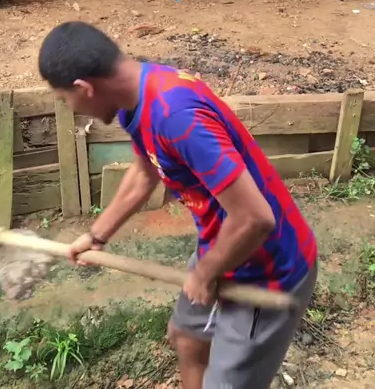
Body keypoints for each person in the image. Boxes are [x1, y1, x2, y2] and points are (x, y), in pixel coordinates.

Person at [39, 21, 317, 389]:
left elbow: (255, 218)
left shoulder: (177, 118)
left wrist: (205, 273)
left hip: (266, 270)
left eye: (65, 100)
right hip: (221, 247)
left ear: (84, 88)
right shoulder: (137, 97)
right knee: (188, 338)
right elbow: (145, 173)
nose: (71, 108)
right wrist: (96, 235)